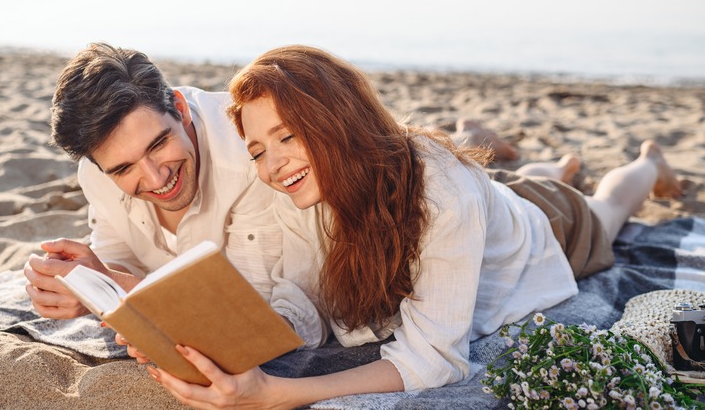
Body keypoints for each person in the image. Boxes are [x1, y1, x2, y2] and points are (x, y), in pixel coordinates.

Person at [136, 45, 683, 408]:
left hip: (544, 228)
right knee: (503, 179)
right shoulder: (296, 189)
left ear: (336, 121)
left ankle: (648, 162)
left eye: (287, 136)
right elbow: (304, 296)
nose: (272, 165)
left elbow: (434, 361)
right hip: (484, 197)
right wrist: (230, 338)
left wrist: (274, 392)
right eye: (256, 150)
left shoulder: (443, 194)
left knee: (607, 209)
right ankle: (520, 152)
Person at [23, 43, 281, 319]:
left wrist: (111, 284)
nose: (156, 177)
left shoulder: (249, 155)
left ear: (180, 110)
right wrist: (84, 285)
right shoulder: (95, 174)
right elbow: (121, 259)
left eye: (158, 144)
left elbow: (255, 312)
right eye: (123, 169)